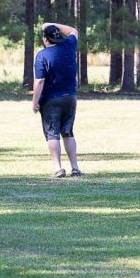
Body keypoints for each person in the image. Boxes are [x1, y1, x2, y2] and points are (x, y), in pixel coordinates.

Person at [31, 22, 82, 179]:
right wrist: (53, 25)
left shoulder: (42, 55)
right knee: (68, 132)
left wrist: (35, 102)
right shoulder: (69, 45)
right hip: (70, 97)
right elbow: (74, 30)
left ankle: (58, 168)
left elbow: (39, 82)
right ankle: (75, 168)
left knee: (52, 134)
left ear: (46, 39)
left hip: (51, 100)